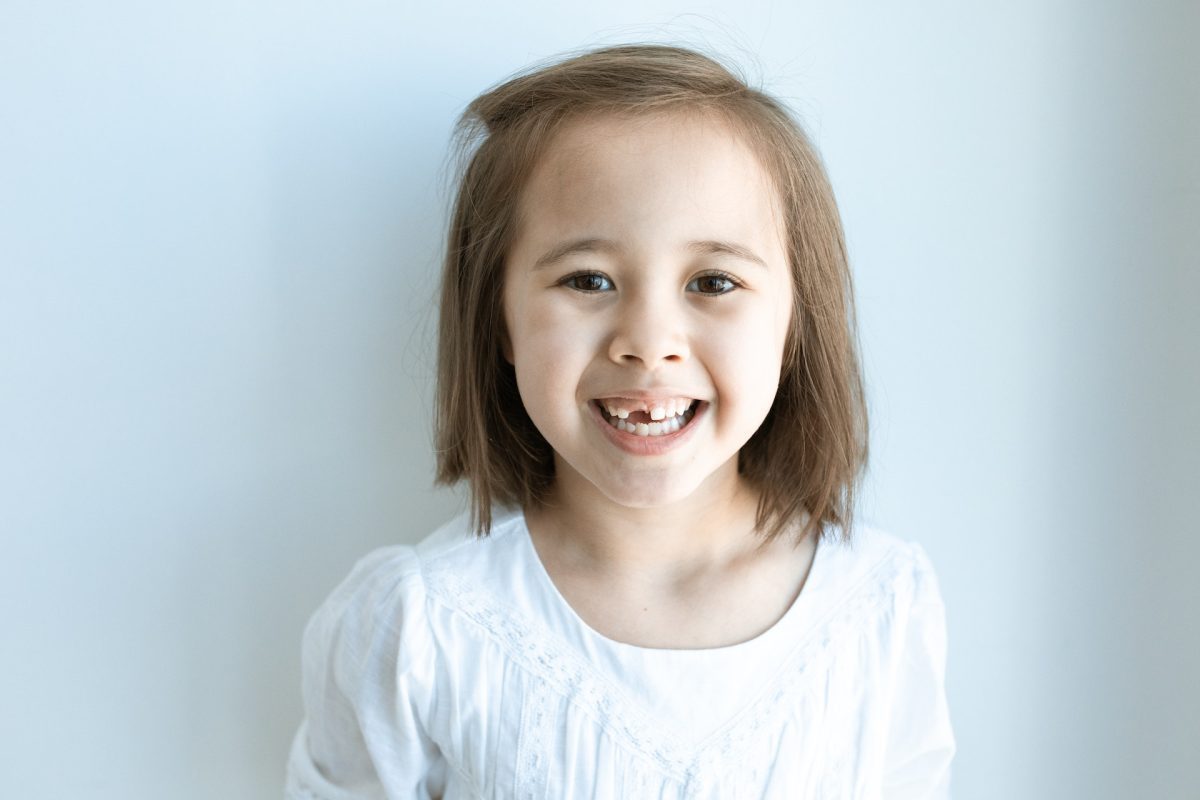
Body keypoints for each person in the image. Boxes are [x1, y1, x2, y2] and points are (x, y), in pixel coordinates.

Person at [285, 43, 955, 799]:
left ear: (795, 322)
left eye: (713, 281)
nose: (648, 341)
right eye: (588, 279)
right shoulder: (417, 629)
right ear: (498, 321)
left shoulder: (880, 609)